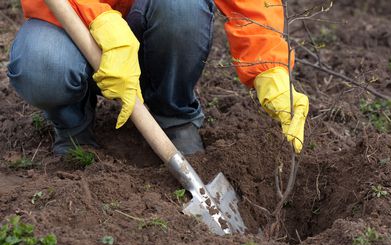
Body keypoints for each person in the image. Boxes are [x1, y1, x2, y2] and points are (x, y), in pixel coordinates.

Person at [7, 0, 309, 156]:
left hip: (150, 23)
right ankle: (73, 123)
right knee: (43, 62)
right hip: (70, 25)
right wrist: (100, 20)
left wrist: (269, 67)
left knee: (182, 7)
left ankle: (174, 114)